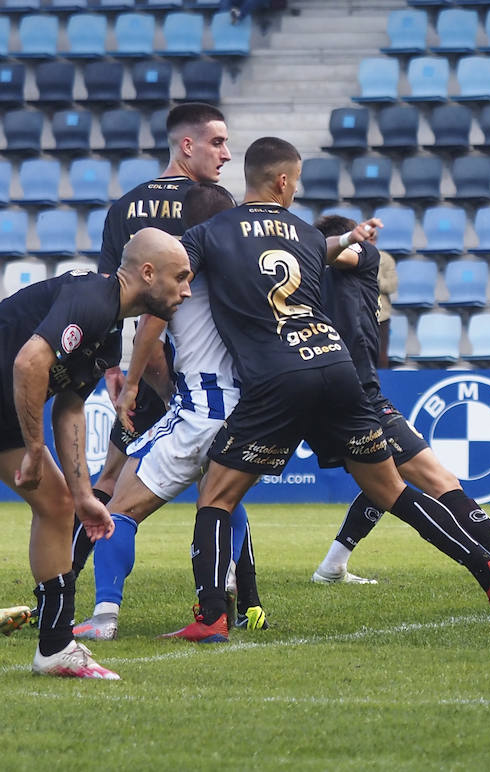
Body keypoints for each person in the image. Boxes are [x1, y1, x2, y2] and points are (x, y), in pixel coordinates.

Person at [163, 137, 490, 644]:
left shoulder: (212, 231)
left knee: (216, 498)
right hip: (336, 367)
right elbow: (332, 250)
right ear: (284, 182)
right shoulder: (307, 236)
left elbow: (171, 271)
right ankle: (488, 571)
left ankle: (210, 619)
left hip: (276, 376)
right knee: (393, 491)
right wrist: (350, 237)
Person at [307, 214, 490, 613]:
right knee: (434, 479)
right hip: (357, 396)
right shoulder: (353, 257)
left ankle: (331, 565)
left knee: (382, 479)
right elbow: (342, 254)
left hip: (315, 392)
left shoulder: (306, 273)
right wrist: (337, 241)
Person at [71, 183, 270, 644]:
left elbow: (151, 336)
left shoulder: (181, 270)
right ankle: (223, 586)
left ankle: (103, 618)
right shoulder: (256, 268)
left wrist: (133, 385)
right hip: (254, 410)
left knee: (118, 510)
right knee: (222, 497)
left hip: (203, 406)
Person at [3, 227, 192, 679]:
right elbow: (30, 363)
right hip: (8, 406)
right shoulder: (92, 297)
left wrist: (85, 492)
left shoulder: (110, 330)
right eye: (180, 277)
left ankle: (55, 647)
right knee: (53, 503)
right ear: (148, 273)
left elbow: (69, 406)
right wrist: (34, 449)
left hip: (4, 409)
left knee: (59, 504)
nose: (187, 289)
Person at [76, 103, 232, 579]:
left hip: (141, 366)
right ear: (188, 145)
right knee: (220, 480)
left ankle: (62, 583)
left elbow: (108, 292)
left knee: (108, 478)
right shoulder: (211, 203)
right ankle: (237, 597)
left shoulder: (124, 205)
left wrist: (113, 369)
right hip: (188, 364)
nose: (226, 155)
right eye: (218, 143)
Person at [375, 248, 396, 369]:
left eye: (372, 238)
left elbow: (392, 286)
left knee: (381, 356)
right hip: (356, 313)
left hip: (381, 315)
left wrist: (376, 277)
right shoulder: (350, 255)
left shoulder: (385, 259)